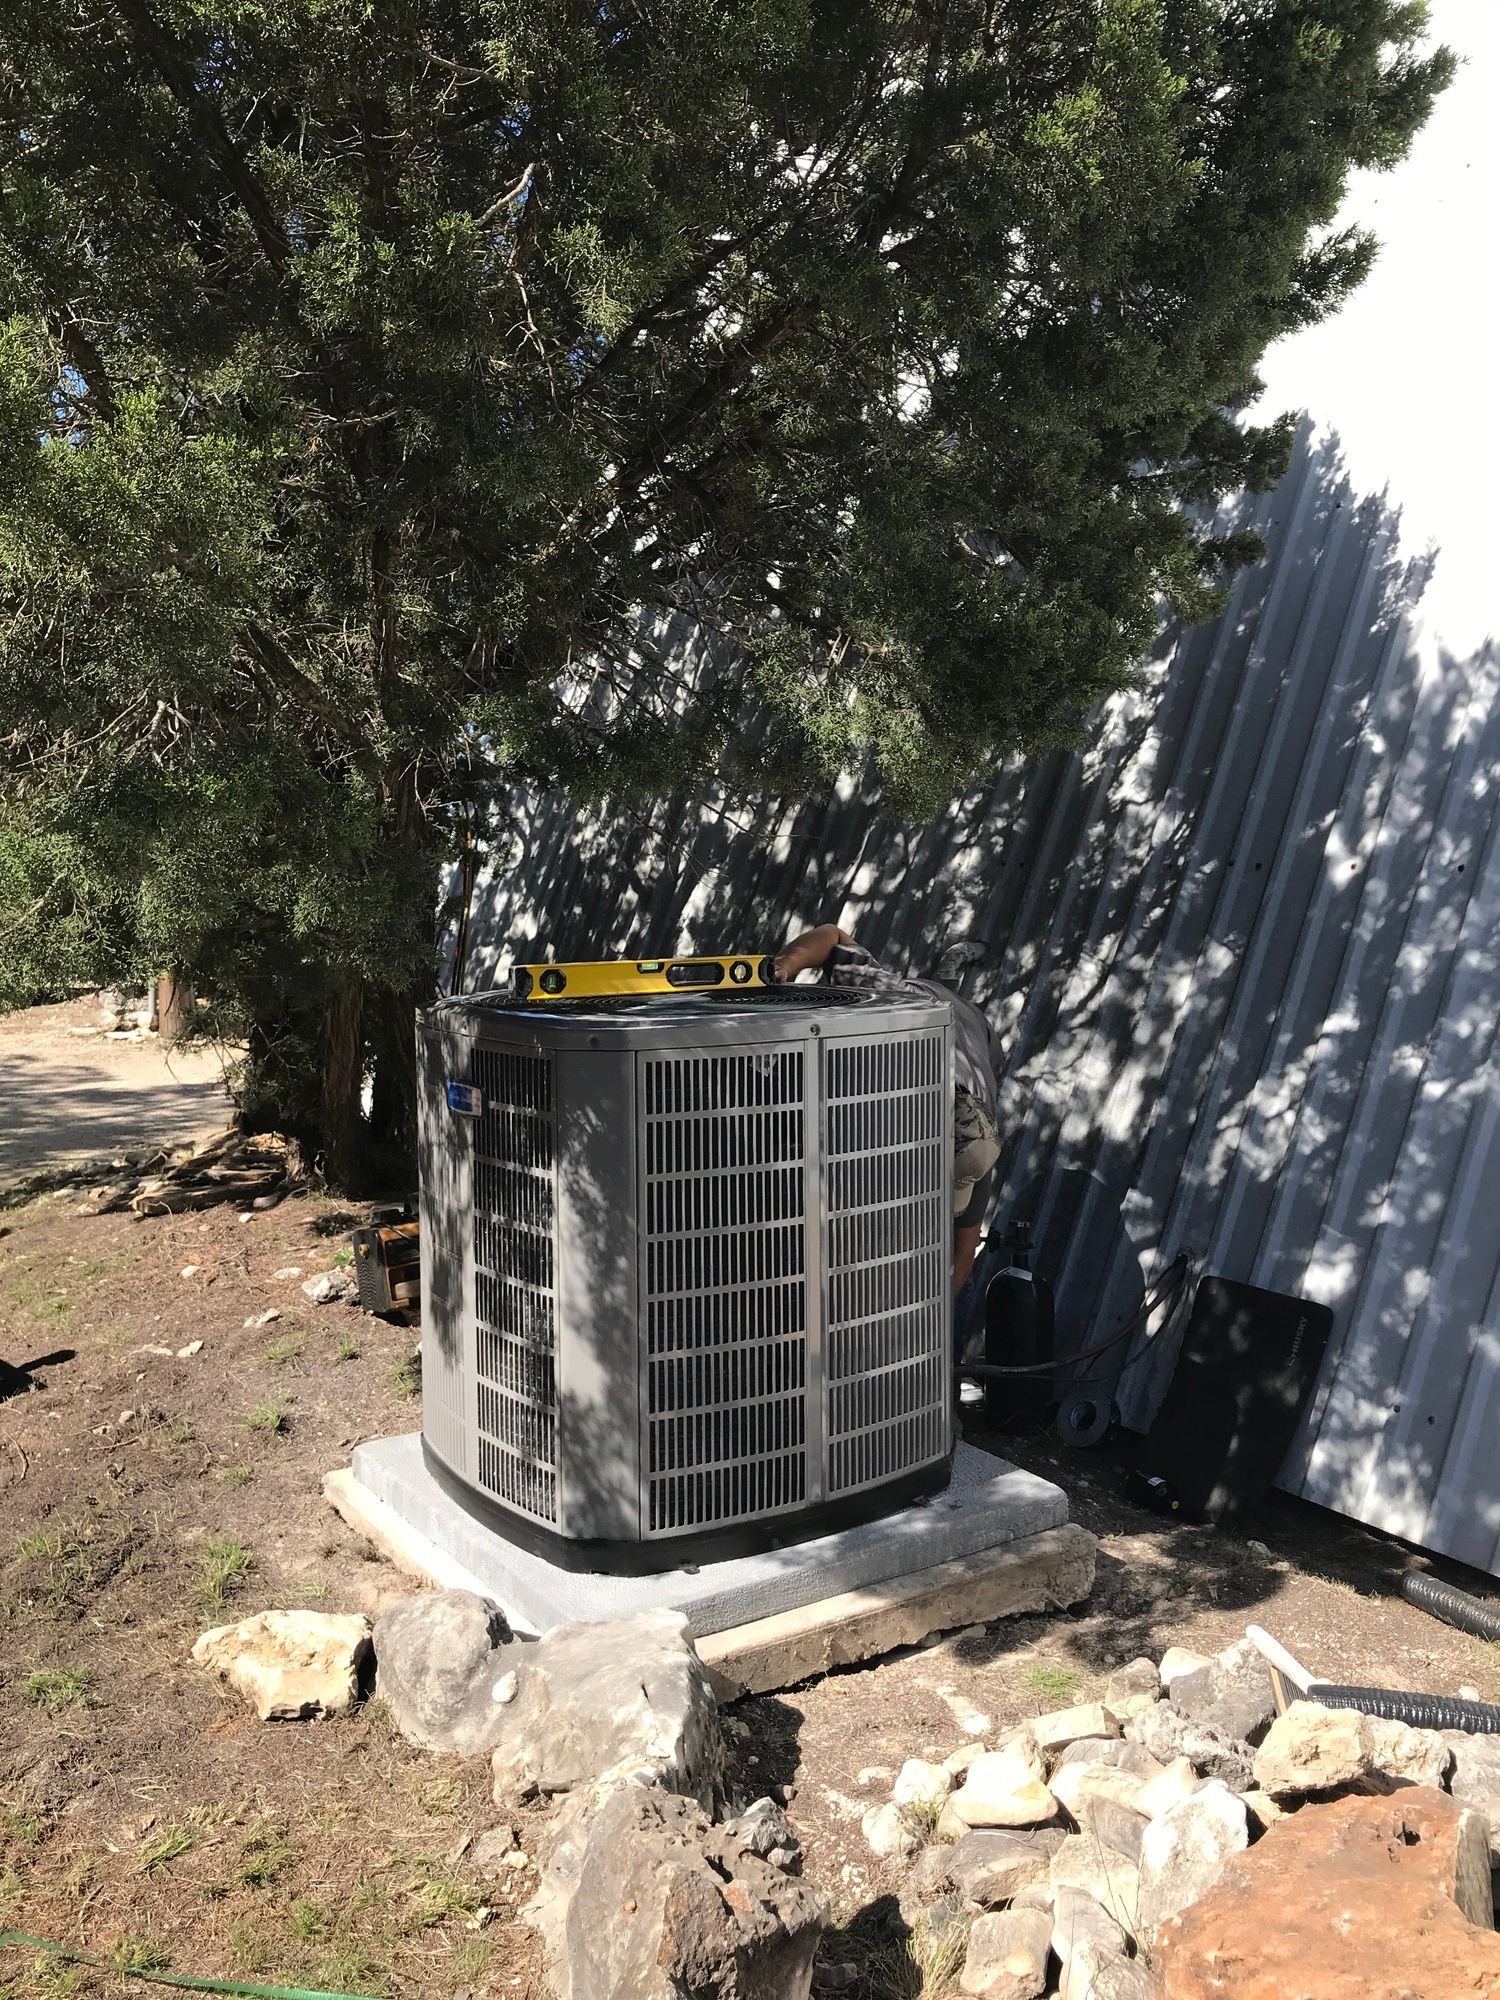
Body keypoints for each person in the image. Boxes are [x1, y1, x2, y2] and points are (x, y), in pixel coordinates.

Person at [772, 922, 1001, 1294]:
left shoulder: (978, 1143)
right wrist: (785, 964)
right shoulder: (886, 1004)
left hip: (980, 1042)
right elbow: (832, 934)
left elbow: (965, 1245)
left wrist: (937, 1317)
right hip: (929, 1010)